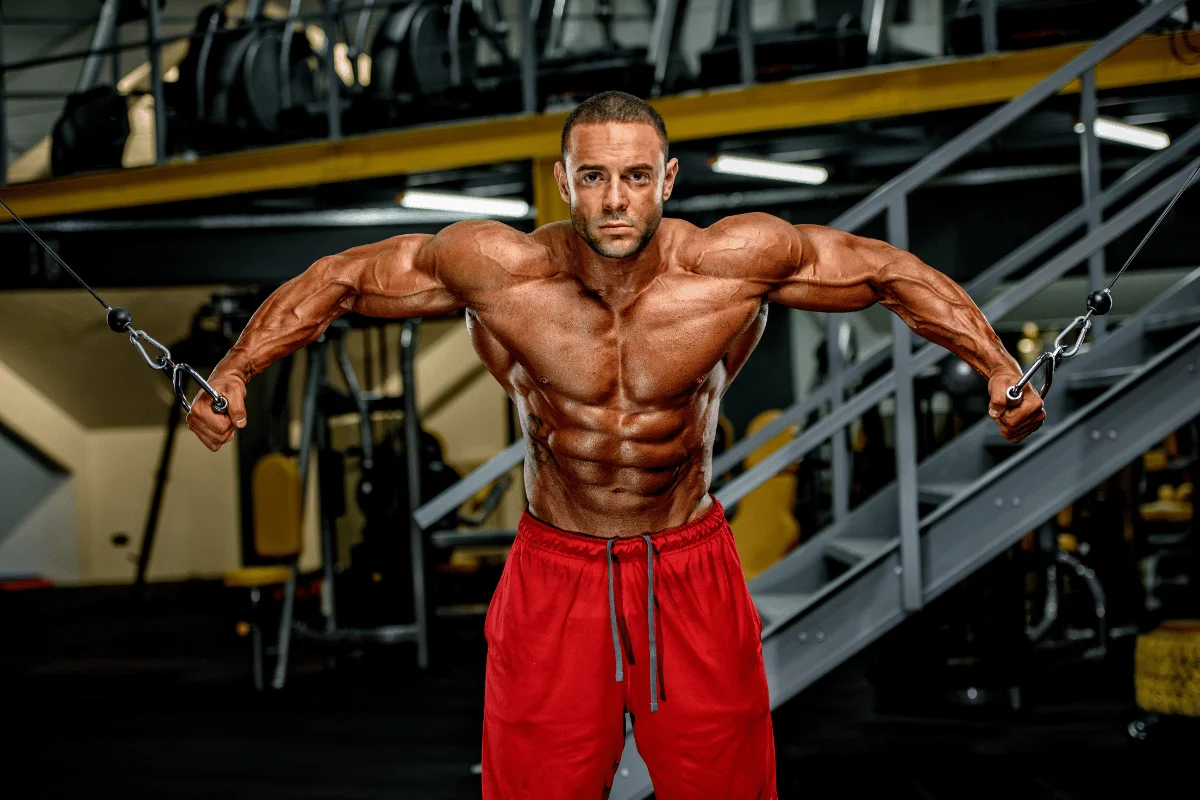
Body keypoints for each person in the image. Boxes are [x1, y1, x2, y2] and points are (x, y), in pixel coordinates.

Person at [187, 91, 1045, 799]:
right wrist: (232, 372)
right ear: (564, 181)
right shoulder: (500, 270)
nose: (615, 199)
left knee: (727, 788)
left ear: (667, 179)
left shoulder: (731, 265)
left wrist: (999, 366)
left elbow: (887, 272)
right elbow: (342, 279)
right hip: (556, 570)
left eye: (636, 176)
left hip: (689, 567)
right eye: (593, 177)